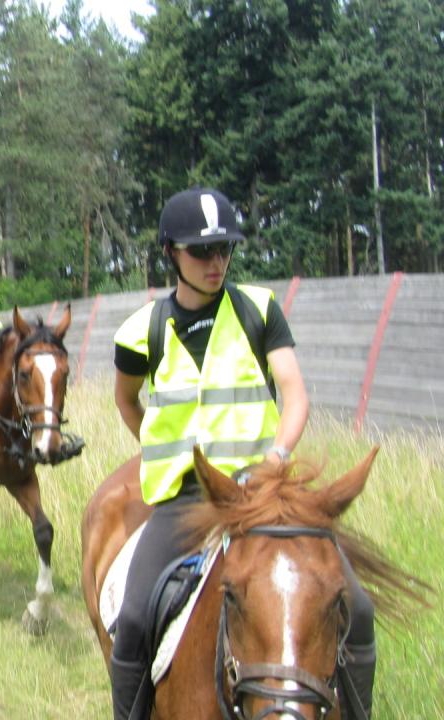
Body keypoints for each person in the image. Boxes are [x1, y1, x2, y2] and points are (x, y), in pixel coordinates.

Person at [108, 187, 374, 720]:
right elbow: (126, 399)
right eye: (200, 252)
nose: (216, 262)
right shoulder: (140, 333)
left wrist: (277, 456)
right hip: (186, 503)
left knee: (359, 609)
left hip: (263, 498)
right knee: (135, 619)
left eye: (224, 249)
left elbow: (294, 393)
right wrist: (165, 452)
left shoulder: (259, 310)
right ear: (170, 254)